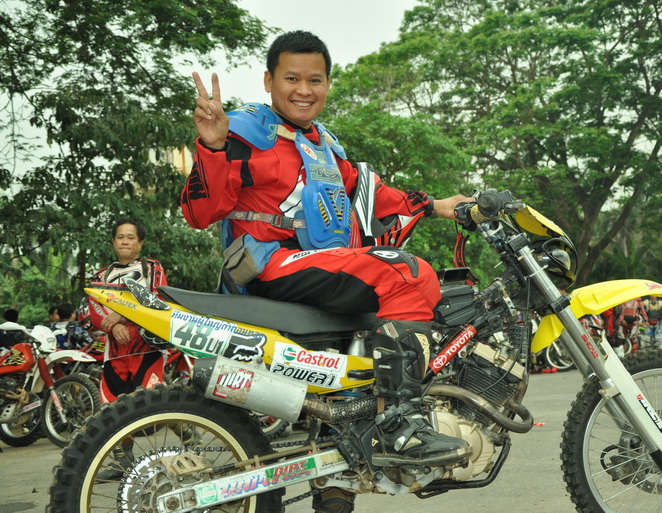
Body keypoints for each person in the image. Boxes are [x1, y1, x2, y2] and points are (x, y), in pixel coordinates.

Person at [181, 30, 471, 509]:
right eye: (291, 78)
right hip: (272, 266)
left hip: (319, 271)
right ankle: (399, 423)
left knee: (348, 376)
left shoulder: (325, 146)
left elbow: (372, 195)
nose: (303, 89)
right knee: (407, 274)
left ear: (328, 84)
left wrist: (439, 205)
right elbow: (199, 213)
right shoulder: (242, 132)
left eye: (315, 80)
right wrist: (211, 147)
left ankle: (339, 476)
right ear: (269, 80)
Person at [89, 218, 170, 479]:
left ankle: (192, 440)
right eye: (120, 237)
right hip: (115, 353)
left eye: (131, 237)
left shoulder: (152, 268)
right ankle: (121, 463)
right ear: (114, 242)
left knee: (156, 403)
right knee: (112, 409)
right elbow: (94, 308)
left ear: (140, 243)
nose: (125, 241)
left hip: (147, 348)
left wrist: (122, 316)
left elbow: (157, 298)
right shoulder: (101, 275)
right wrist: (112, 326)